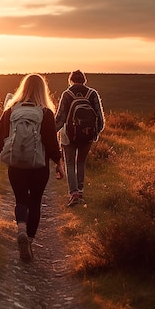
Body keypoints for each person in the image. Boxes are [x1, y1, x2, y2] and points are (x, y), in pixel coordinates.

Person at [0, 74, 64, 262]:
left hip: (16, 164)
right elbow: (51, 143)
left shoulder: (11, 110)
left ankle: (21, 229)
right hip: (39, 166)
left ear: (22, 88)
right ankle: (29, 241)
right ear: (43, 91)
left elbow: (0, 133)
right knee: (35, 202)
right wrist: (59, 163)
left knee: (21, 199)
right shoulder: (46, 113)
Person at [55, 70, 105, 207]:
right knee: (81, 162)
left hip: (68, 136)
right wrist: (94, 133)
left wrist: (52, 133)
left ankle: (74, 194)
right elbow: (100, 117)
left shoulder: (67, 94)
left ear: (70, 80)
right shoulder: (92, 93)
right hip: (87, 135)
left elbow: (60, 118)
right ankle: (81, 191)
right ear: (84, 80)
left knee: (70, 164)